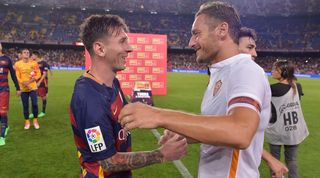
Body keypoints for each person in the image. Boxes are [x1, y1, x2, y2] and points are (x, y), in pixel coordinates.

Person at [119, 2, 272, 178]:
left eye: (196, 34)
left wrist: (158, 115)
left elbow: (240, 132)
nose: (191, 42)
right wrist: (185, 133)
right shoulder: (220, 73)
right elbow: (221, 130)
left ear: (222, 30)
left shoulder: (245, 69)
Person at [69, 14, 187, 178]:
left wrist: (161, 121)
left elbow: (122, 118)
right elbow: (108, 162)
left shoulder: (111, 83)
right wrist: (161, 154)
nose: (130, 48)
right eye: (122, 41)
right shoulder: (89, 100)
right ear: (100, 49)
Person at [238, 27, 289, 178]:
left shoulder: (253, 76)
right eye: (249, 47)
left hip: (244, 167)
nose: (255, 53)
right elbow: (237, 129)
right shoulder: (231, 77)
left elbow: (242, 130)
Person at [266, 60, 309, 178]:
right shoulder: (297, 86)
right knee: (292, 160)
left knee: (274, 160)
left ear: (283, 72)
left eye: (275, 69)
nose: (272, 71)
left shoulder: (272, 89)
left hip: (277, 129)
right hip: (294, 129)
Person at [15, 48, 41, 129]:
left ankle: (35, 120)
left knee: (35, 104)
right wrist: (24, 83)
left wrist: (31, 81)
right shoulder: (17, 64)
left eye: (27, 52)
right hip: (23, 88)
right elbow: (17, 76)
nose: (26, 53)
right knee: (25, 106)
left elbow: (38, 74)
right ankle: (27, 121)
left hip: (32, 87)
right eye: (24, 52)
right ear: (22, 54)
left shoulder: (34, 63)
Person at [0, 42, 20, 146]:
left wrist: (18, 87)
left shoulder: (6, 59)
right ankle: (6, 125)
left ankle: (2, 136)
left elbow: (13, 74)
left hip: (3, 90)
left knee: (2, 112)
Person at [30, 51, 50, 118]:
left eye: (32, 55)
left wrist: (39, 82)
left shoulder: (44, 63)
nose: (31, 57)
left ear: (36, 55)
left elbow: (44, 74)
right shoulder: (33, 63)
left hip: (42, 82)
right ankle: (33, 112)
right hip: (35, 82)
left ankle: (43, 111)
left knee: (43, 97)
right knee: (34, 97)